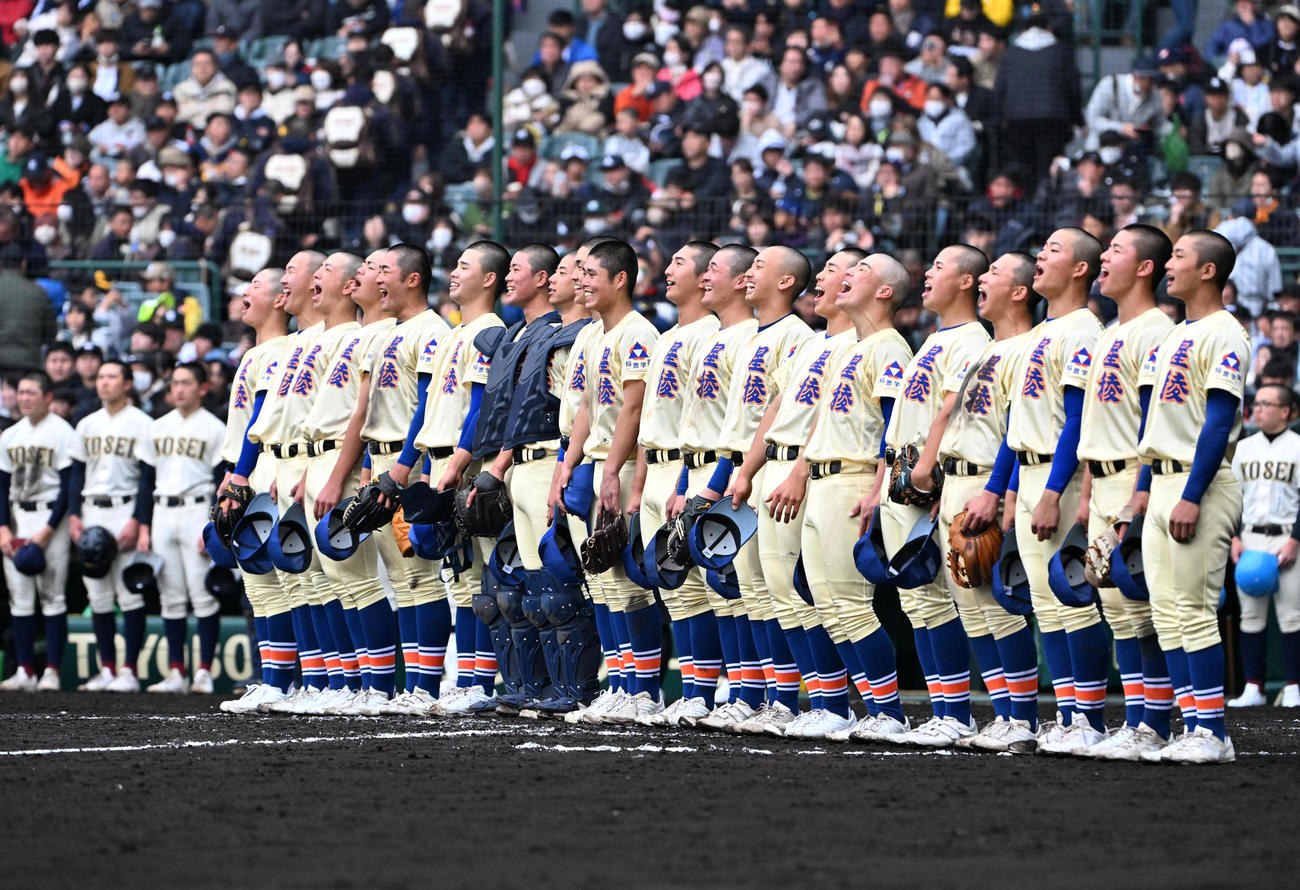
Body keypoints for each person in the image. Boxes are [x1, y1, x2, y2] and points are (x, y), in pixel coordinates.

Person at [724, 247, 865, 737]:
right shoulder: (814, 344)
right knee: (771, 594)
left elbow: (823, 418)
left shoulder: (839, 342)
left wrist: (799, 471)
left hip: (810, 473)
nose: (824, 277)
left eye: (837, 270)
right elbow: (776, 411)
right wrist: (745, 470)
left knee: (811, 596)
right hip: (772, 468)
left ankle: (826, 702)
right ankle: (789, 700)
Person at [1134, 229, 1251, 764]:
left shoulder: (1225, 333)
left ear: (1208, 271)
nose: (1167, 265)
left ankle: (1213, 732)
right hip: (1162, 480)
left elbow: (1219, 422)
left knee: (1195, 611)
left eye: (1179, 256)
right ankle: (1191, 726)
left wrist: (1192, 494)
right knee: (1166, 613)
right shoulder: (1175, 333)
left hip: (1197, 485)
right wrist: (1144, 491)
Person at [689, 245, 814, 733]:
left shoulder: (796, 336)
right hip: (744, 469)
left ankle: (788, 698)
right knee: (752, 592)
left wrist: (734, 476)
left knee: (781, 591)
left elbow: (789, 415)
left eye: (760, 266)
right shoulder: (751, 337)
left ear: (785, 282)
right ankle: (755, 694)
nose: (750, 273)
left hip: (774, 470)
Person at [1069, 225, 1179, 760]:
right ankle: (1136, 721)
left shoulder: (1157, 329)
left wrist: (1137, 496)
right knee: (1117, 608)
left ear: (1145, 268)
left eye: (1115, 250)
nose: (1104, 258)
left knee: (1143, 607)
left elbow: (1152, 424)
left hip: (1139, 479)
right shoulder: (1112, 329)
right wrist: (1088, 496)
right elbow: (1098, 424)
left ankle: (1153, 724)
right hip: (1104, 478)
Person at [878, 245, 993, 747]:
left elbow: (948, 410)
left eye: (941, 267)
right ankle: (946, 711)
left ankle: (956, 713)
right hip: (907, 474)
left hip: (929, 479)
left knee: (944, 601)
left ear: (967, 281)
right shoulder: (935, 337)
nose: (927, 274)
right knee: (919, 603)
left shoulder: (970, 338)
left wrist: (924, 473)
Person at [387, 241, 509, 715]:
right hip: (440, 461)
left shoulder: (490, 330)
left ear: (489, 279)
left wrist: (457, 461)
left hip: (465, 464)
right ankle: (462, 681)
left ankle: (478, 681)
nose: (453, 274)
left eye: (464, 267)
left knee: (478, 578)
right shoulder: (459, 331)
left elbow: (480, 408)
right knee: (459, 576)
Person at [933, 251, 1043, 752]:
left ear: (1020, 292)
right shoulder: (988, 348)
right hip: (957, 482)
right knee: (971, 608)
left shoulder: (1026, 348)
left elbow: (1022, 432)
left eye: (995, 273)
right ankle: (1003, 716)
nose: (984, 280)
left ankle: (1023, 720)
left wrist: (1000, 493)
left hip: (986, 484)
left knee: (1000, 607)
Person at [1006, 228, 1107, 752]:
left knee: (1073, 599)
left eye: (1053, 251)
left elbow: (1076, 420)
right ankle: (1068, 716)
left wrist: (1052, 490)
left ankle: (1088, 719)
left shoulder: (1083, 330)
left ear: (1081, 270)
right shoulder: (1044, 330)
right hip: (1028, 473)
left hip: (1055, 476)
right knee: (1047, 604)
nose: (1040, 257)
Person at [264, 251, 373, 715]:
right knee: (316, 581)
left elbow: (360, 413)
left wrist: (339, 472)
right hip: (304, 461)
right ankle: (331, 679)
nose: (300, 280)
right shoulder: (310, 339)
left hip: (335, 462)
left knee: (357, 581)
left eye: (315, 271)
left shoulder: (353, 337)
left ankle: (367, 682)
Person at [557, 240, 660, 723]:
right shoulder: (594, 334)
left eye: (590, 273)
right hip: (593, 463)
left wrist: (617, 472)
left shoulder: (638, 333)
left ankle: (642, 690)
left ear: (620, 279)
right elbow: (584, 408)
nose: (581, 281)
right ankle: (619, 684)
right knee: (602, 582)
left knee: (627, 585)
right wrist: (568, 462)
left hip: (617, 466)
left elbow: (636, 411)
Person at [618, 240, 720, 725]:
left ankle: (705, 692)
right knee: (674, 587)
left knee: (703, 587)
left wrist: (681, 481)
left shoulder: (710, 334)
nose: (668, 267)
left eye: (679, 261)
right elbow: (651, 419)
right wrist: (637, 487)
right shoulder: (665, 335)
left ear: (705, 278)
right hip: (654, 468)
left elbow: (697, 421)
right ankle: (692, 691)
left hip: (686, 469)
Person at [214, 267, 294, 713]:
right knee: (260, 584)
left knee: (278, 580)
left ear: (281, 299)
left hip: (265, 469)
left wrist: (239, 476)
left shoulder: (279, 351)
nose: (245, 295)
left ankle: (287, 679)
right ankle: (273, 677)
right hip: (247, 470)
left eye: (256, 288)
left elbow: (260, 424)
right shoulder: (256, 351)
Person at [137, 362, 227, 694]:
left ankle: (204, 672)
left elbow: (221, 483)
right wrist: (144, 525)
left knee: (204, 596)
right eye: (175, 383)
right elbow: (146, 481)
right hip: (162, 511)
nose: (179, 389)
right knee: (170, 598)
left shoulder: (215, 427)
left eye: (186, 383)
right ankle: (176, 672)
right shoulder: (156, 427)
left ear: (203, 388)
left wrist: (213, 526)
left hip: (197, 511)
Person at [69, 359, 154, 692]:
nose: (104, 382)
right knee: (98, 595)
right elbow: (76, 472)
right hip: (92, 510)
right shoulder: (86, 424)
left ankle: (129, 671)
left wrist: (138, 520)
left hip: (125, 508)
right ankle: (107, 668)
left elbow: (148, 477)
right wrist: (75, 515)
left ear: (128, 383)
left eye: (112, 377)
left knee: (129, 593)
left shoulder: (143, 424)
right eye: (101, 376)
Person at [0, 372, 75, 692]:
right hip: (18, 519)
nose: (25, 398)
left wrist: (47, 531)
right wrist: (2, 528)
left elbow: (68, 487)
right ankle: (25, 670)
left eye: (32, 393)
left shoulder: (63, 432)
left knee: (53, 597)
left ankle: (52, 671)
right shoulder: (9, 435)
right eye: (21, 393)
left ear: (47, 397)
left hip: (50, 520)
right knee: (20, 599)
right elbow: (1, 487)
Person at [1228, 383, 1300, 709]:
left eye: (1266, 404)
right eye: (1255, 404)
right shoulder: (1244, 447)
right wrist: (1233, 536)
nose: (1257, 409)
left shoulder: (1297, 446)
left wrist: (1296, 540)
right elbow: (1231, 499)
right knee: (1251, 618)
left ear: (1286, 411)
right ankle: (1253, 687)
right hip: (1251, 537)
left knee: (1292, 617)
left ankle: (1294, 687)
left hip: (1287, 537)